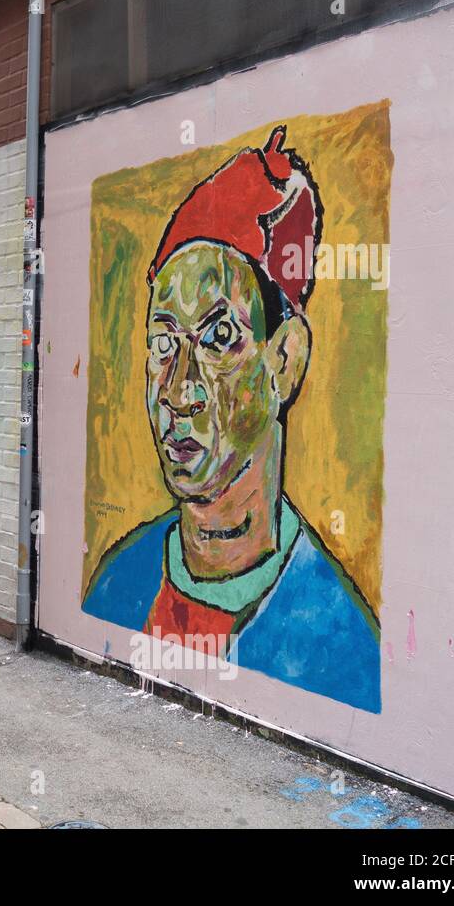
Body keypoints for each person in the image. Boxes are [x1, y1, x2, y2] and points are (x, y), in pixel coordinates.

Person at [83, 127, 380, 713]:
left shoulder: (339, 646)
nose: (179, 391)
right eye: (164, 343)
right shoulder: (118, 585)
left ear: (284, 364)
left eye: (219, 337)